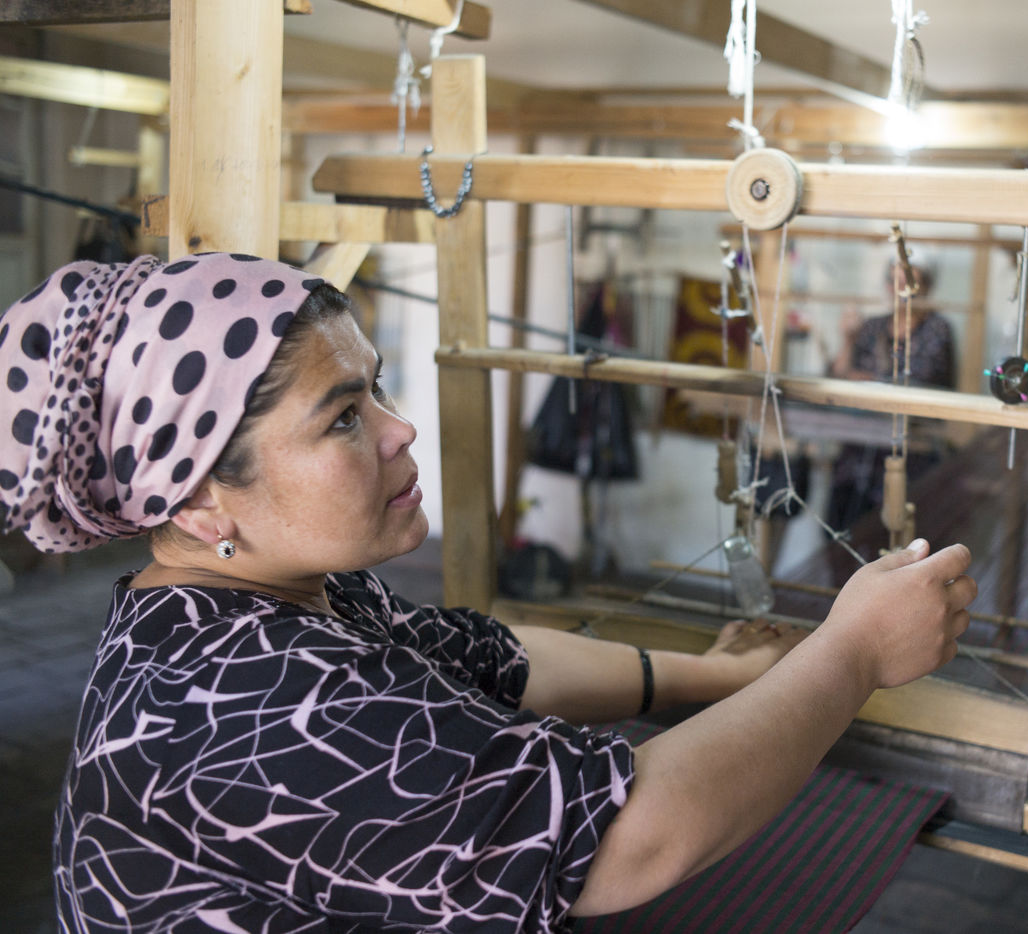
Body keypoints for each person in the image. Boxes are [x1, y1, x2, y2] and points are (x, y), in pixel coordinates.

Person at [0, 252, 975, 932]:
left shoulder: (269, 598)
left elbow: (498, 658)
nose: (400, 429)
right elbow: (628, 840)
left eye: (377, 389)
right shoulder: (253, 702)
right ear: (202, 499)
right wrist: (852, 654)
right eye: (343, 419)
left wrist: (711, 677)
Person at [826, 260, 956, 532]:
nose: (901, 291)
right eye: (895, 283)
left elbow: (919, 382)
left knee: (901, 529)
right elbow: (840, 376)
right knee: (843, 525)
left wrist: (866, 380)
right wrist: (847, 339)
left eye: (909, 284)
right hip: (860, 447)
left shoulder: (937, 329)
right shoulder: (873, 327)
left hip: (913, 449)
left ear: (926, 289)